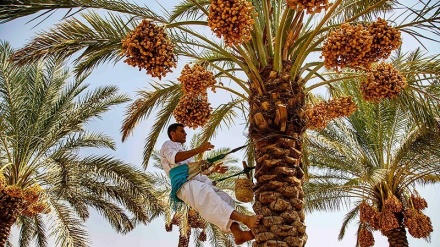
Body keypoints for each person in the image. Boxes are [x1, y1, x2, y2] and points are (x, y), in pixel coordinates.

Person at [160, 123, 262, 244]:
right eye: (182, 131)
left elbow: (195, 172)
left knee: (226, 199)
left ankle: (237, 233)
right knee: (208, 196)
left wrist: (214, 170)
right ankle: (245, 219)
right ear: (172, 133)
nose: (185, 133)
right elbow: (175, 158)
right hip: (184, 185)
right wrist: (199, 149)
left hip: (195, 181)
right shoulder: (168, 145)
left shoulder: (183, 152)